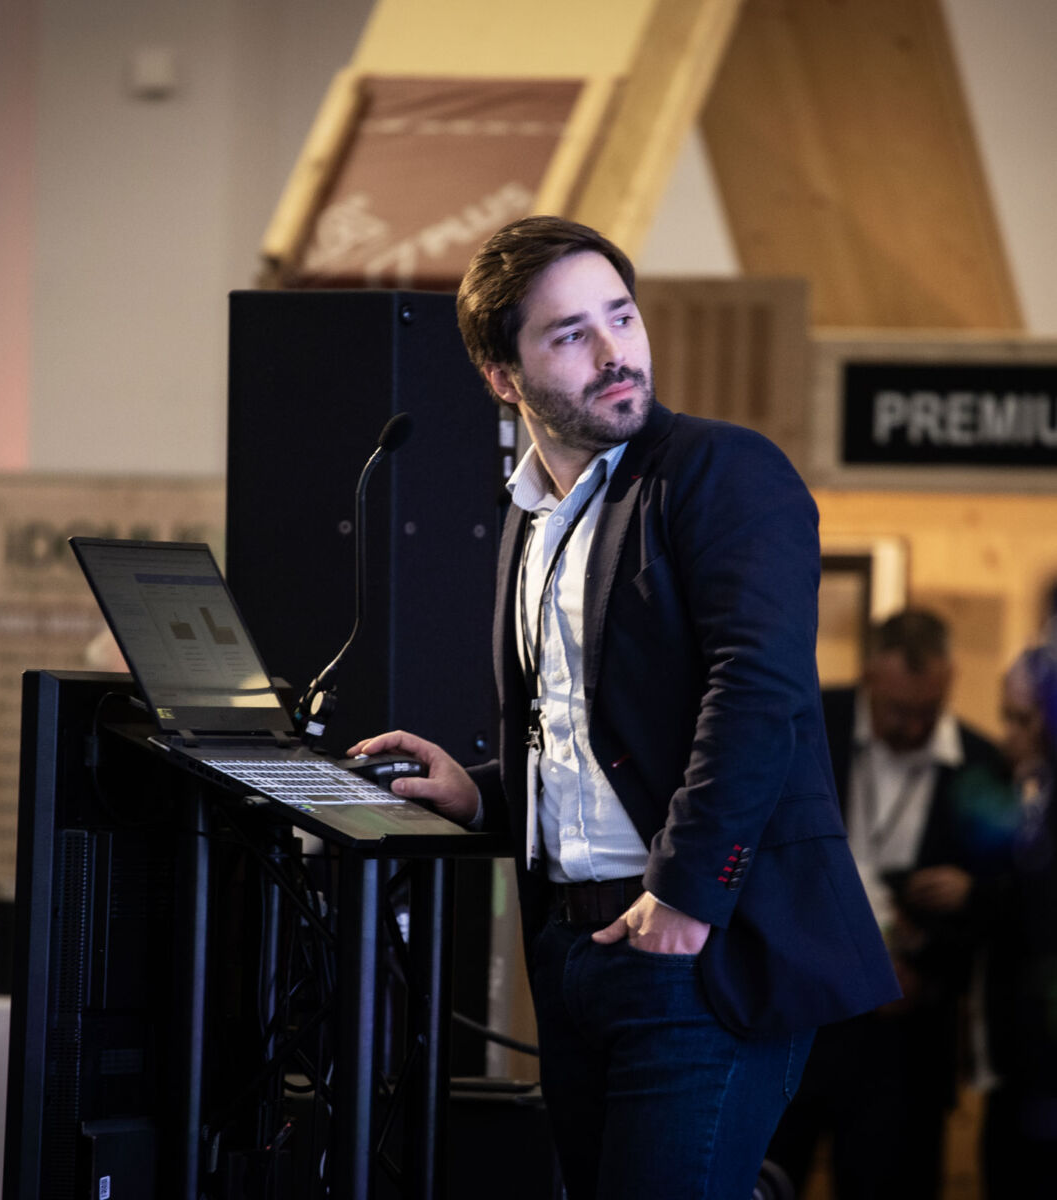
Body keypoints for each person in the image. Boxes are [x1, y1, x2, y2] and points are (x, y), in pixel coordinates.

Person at [346, 215, 898, 1199]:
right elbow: (589, 733)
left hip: (699, 948)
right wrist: (481, 794)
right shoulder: (531, 516)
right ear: (502, 376)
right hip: (573, 951)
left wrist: (685, 897)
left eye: (621, 316)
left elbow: (758, 692)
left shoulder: (723, 471)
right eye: (571, 334)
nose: (613, 352)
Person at [768, 610, 1012, 1199]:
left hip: (906, 1037)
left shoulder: (983, 765)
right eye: (899, 710)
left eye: (930, 710)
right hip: (797, 1015)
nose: (913, 726)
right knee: (768, 1176)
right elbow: (762, 855)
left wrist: (931, 960)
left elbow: (1003, 903)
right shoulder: (808, 725)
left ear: (950, 683)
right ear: (869, 677)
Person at [977, 643, 1057, 1196]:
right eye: (1004, 717)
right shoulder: (1017, 788)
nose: (1008, 735)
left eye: (1023, 720)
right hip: (1014, 1056)